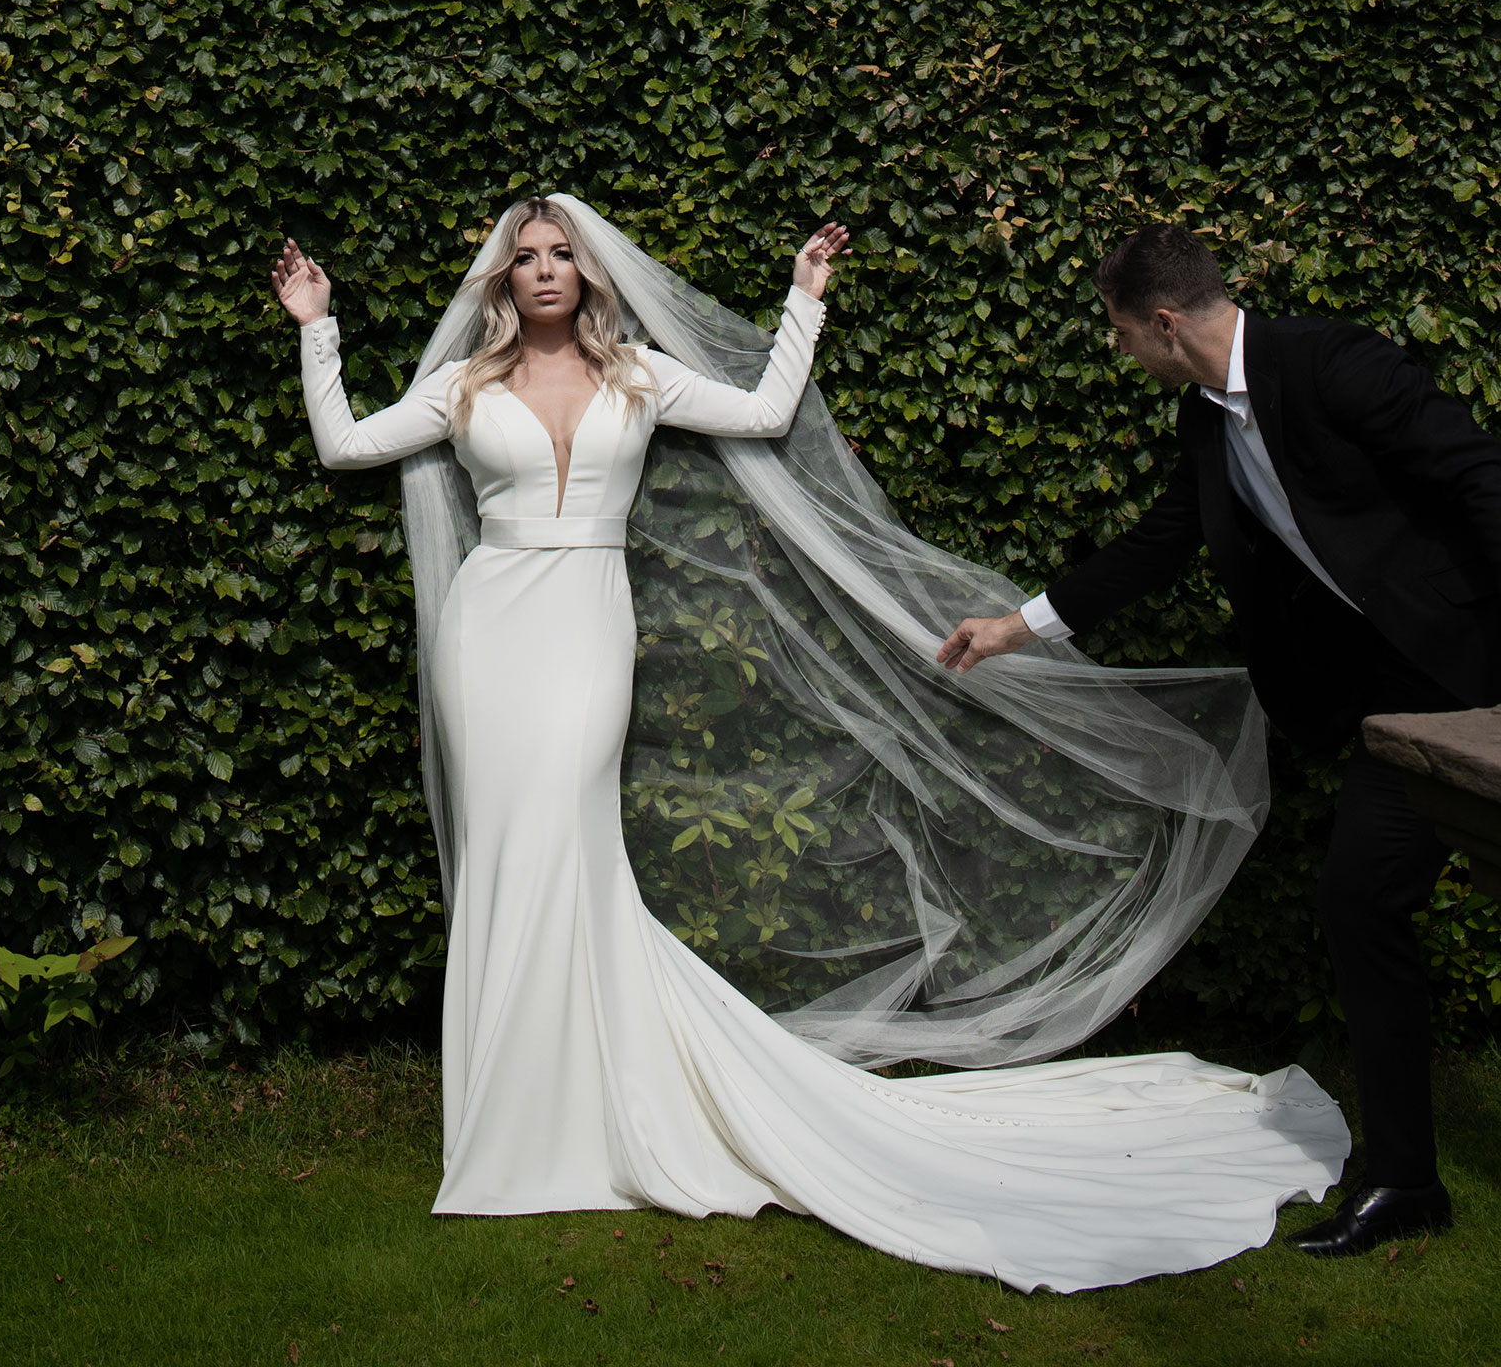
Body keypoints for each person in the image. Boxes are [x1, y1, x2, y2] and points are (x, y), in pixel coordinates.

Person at [273, 196, 1346, 1292]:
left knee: (567, 840)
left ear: (590, 275)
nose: (544, 270)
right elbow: (346, 441)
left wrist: (801, 300)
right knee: (510, 848)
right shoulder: (463, 384)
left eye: (562, 255)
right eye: (525, 258)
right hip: (487, 630)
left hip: (588, 628)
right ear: (500, 280)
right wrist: (318, 322)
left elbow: (766, 410)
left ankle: (573, 1108)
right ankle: (512, 1120)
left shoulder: (641, 372)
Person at [939, 221, 1501, 1257]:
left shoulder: (1330, 362)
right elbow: (1163, 540)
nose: (1118, 351)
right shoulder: (1206, 426)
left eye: (1118, 332)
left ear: (1161, 323)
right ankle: (1406, 1180)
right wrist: (1018, 625)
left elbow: (1478, 472)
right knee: (1358, 897)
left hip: (1474, 670)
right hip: (1403, 717)